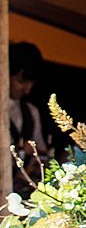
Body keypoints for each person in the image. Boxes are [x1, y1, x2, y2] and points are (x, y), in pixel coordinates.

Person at [8, 42, 55, 193]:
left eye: (31, 83)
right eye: (21, 82)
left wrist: (35, 150)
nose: (27, 89)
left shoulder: (31, 111)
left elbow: (41, 150)